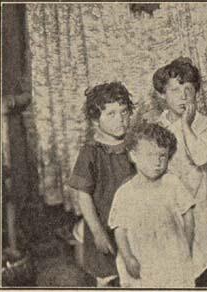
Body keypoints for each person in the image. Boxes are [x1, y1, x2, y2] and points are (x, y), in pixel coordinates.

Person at [108, 122, 195, 288]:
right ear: (134, 156)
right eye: (150, 155)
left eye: (162, 156)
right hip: (140, 256)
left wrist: (187, 245)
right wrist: (128, 257)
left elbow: (188, 215)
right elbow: (119, 229)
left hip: (172, 254)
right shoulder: (125, 192)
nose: (157, 162)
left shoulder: (173, 183)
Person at [67, 82, 136, 287]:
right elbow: (84, 195)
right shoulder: (91, 152)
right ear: (96, 120)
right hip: (104, 222)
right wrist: (97, 231)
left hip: (131, 222)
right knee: (106, 274)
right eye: (111, 114)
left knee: (134, 270)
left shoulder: (135, 145)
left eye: (124, 112)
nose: (120, 119)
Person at [153, 57, 207, 278]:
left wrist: (186, 126)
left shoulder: (203, 124)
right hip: (168, 201)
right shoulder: (158, 127)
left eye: (189, 89)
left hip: (196, 199)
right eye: (175, 90)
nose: (183, 96)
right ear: (162, 95)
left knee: (199, 255)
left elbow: (200, 158)